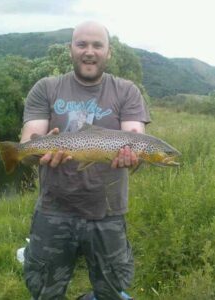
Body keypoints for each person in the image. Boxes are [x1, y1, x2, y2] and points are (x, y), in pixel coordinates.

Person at [21, 21, 150, 300]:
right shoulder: (46, 87)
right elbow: (29, 139)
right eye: (82, 44)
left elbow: (135, 135)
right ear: (71, 49)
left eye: (97, 45)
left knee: (111, 290)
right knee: (45, 290)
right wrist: (32, 152)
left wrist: (132, 156)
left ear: (109, 52)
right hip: (53, 210)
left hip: (108, 212)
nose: (89, 52)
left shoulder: (126, 91)